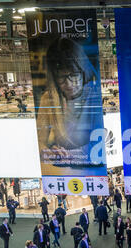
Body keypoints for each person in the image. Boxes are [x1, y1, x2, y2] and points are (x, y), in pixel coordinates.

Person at [36, 37, 106, 175]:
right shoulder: (48, 98)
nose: (68, 84)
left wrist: (68, 155)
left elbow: (98, 144)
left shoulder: (94, 96)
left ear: (83, 71)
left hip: (90, 169)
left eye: (73, 75)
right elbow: (39, 140)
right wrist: (47, 152)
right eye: (61, 77)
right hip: (60, 170)